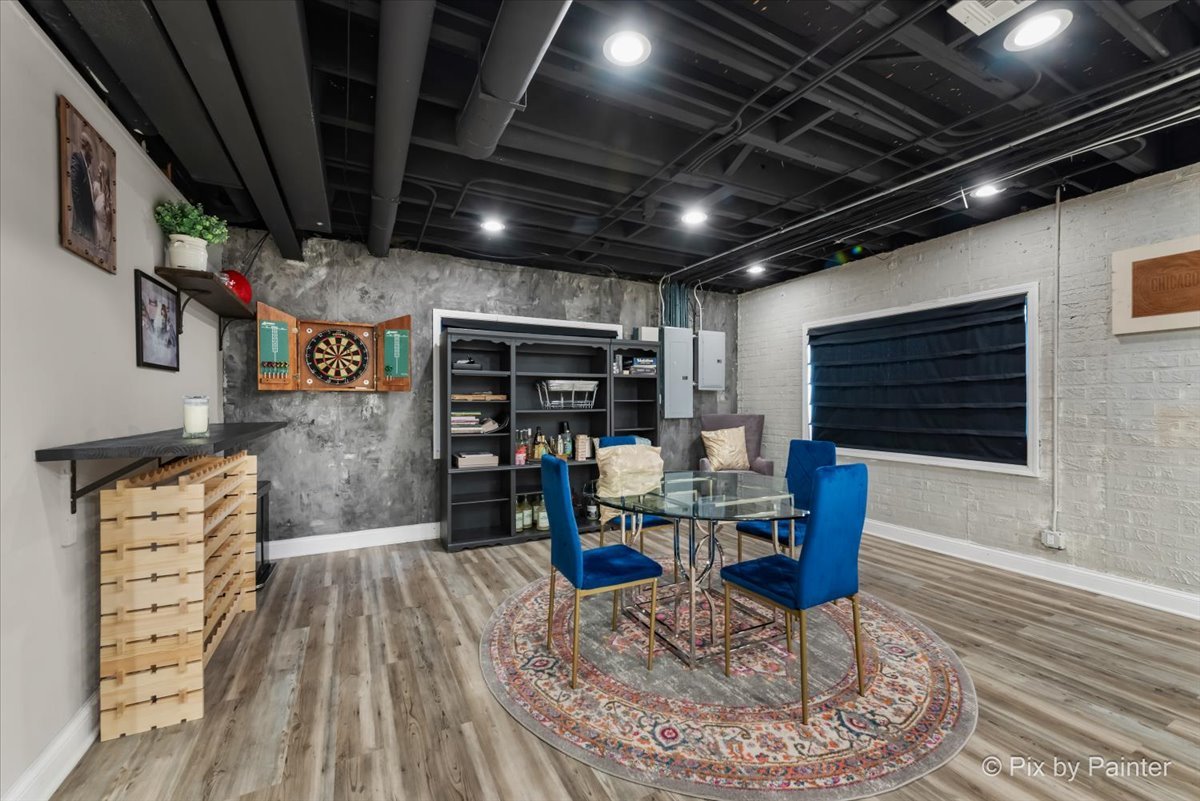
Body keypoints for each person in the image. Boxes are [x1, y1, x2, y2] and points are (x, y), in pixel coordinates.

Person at [69, 129, 97, 243]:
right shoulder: (77, 159)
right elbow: (76, 191)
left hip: (88, 226)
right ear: (86, 147)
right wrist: (82, 224)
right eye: (91, 151)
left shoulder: (87, 169)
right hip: (82, 225)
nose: (92, 157)